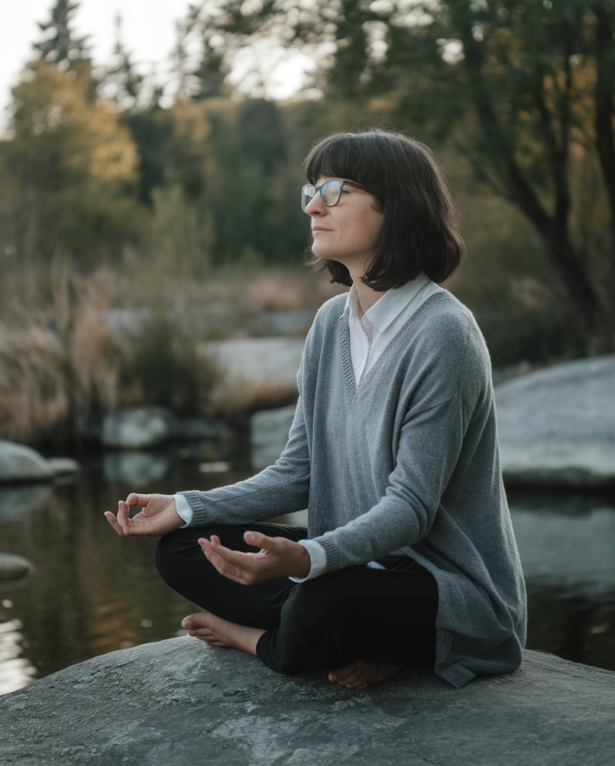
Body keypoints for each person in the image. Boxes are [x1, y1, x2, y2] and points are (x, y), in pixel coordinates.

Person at [105, 129, 526, 692]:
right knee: (183, 550)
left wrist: (306, 557)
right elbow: (297, 472)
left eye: (335, 188)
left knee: (323, 602)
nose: (312, 203)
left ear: (397, 205)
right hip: (353, 569)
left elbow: (411, 509)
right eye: (309, 189)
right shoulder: (331, 325)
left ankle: (259, 641)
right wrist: (186, 506)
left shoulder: (443, 332)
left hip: (443, 587)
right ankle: (357, 644)